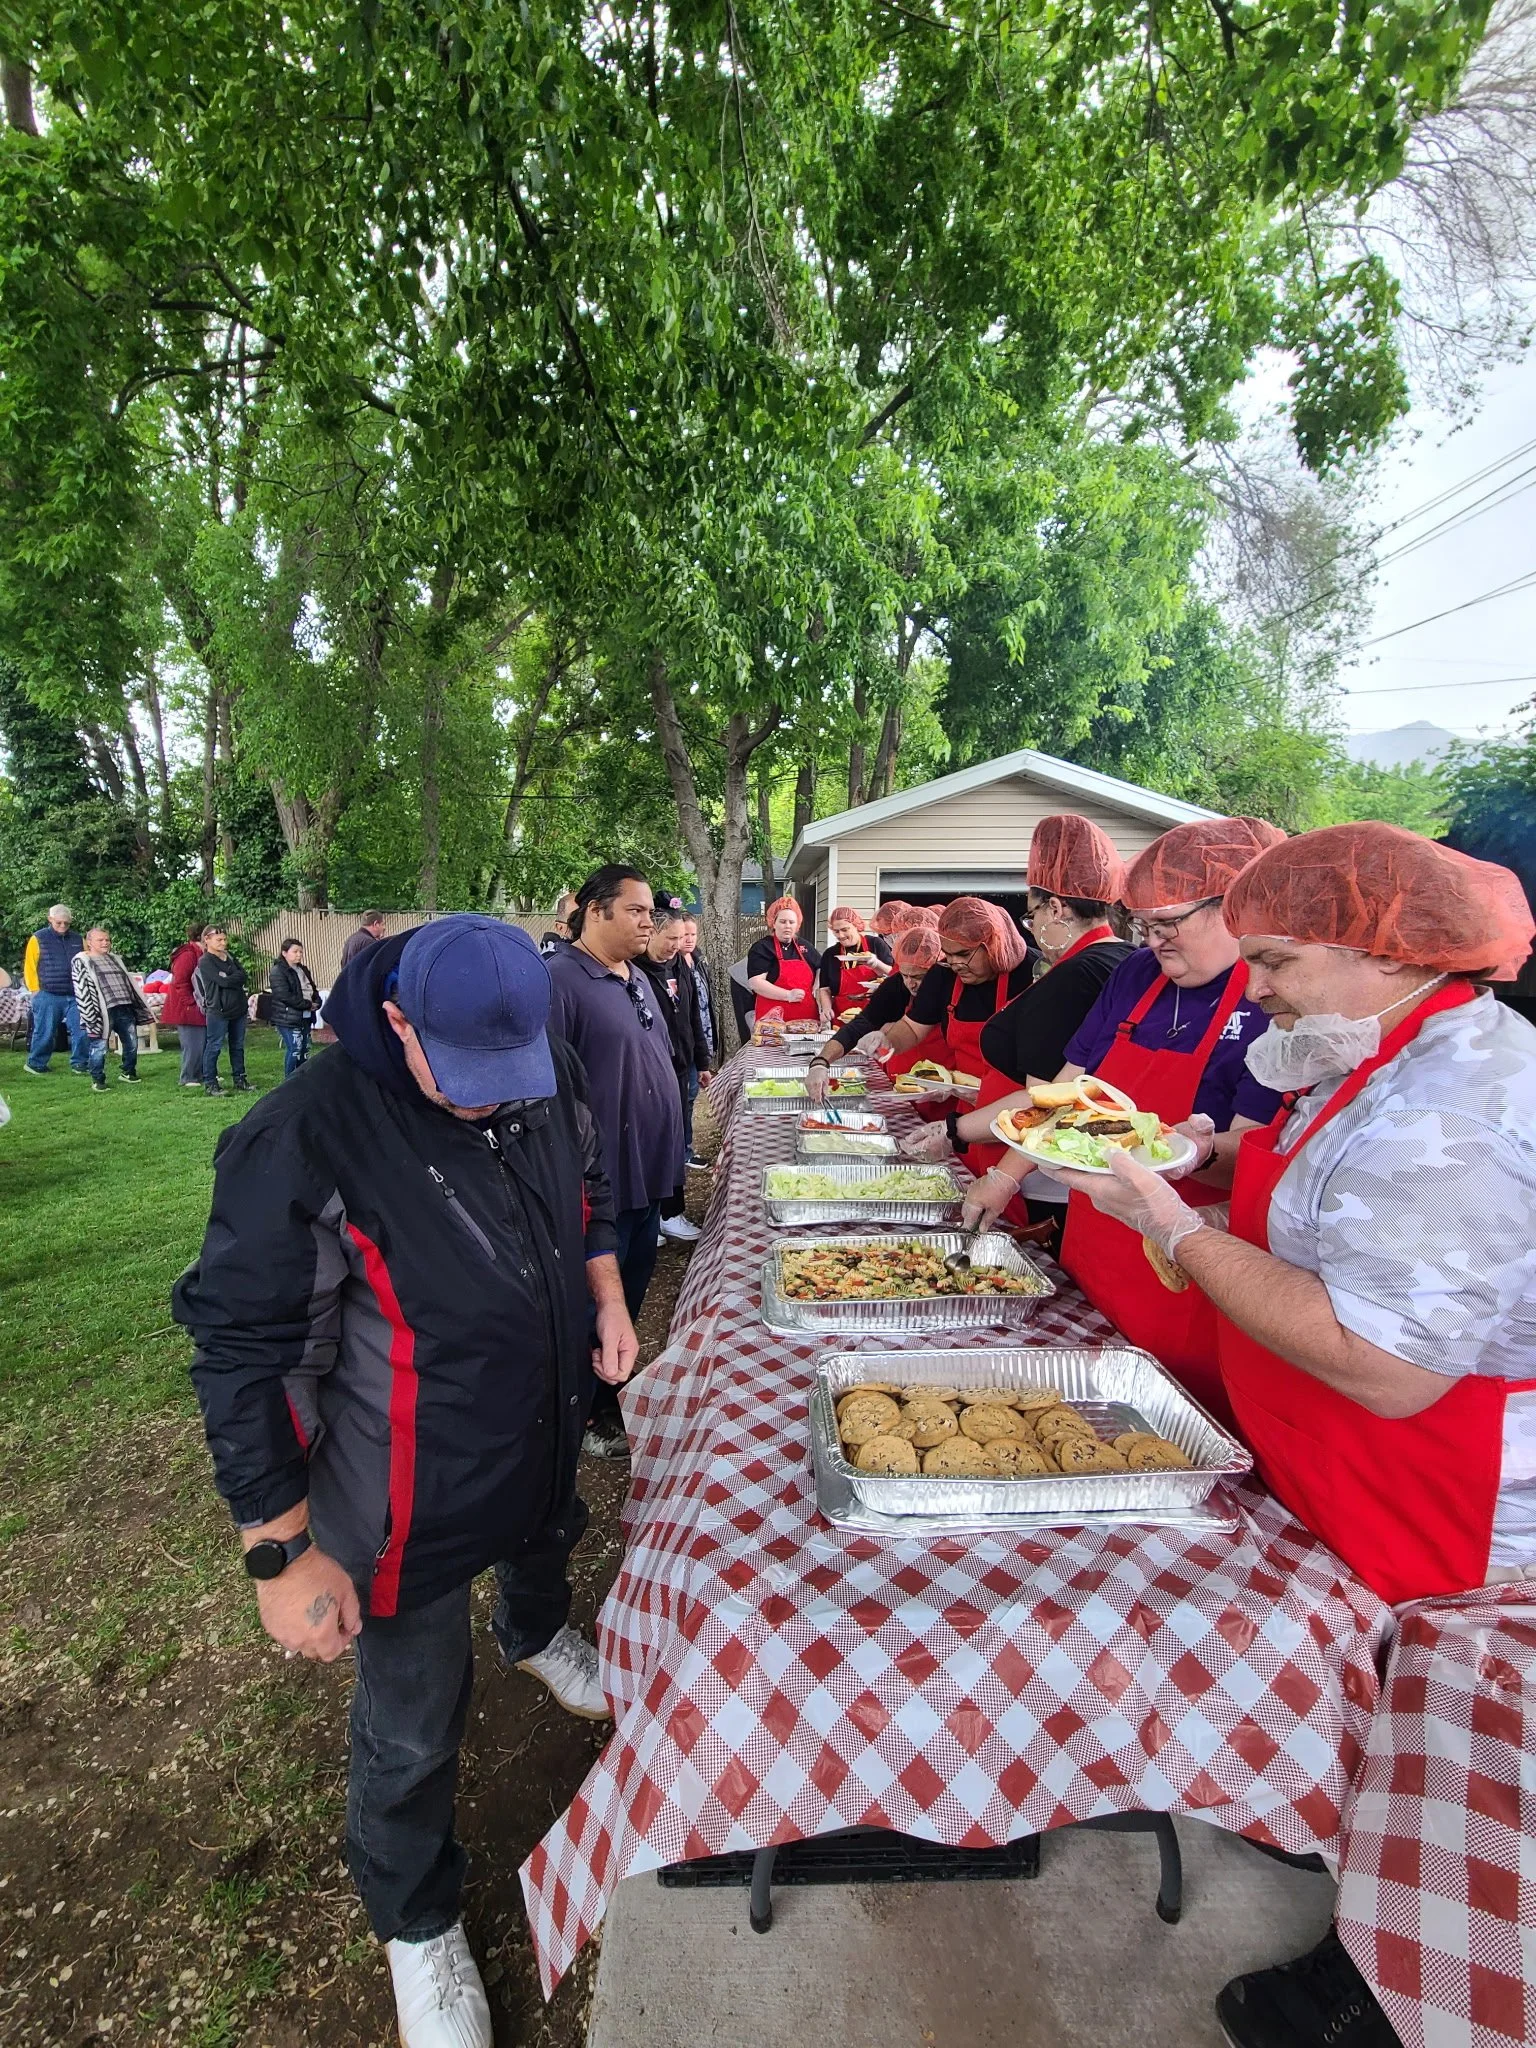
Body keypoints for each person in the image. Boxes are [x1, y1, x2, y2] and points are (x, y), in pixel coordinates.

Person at [1047, 825, 1536, 2048]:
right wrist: (1215, 1151)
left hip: (1440, 1493)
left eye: (1277, 958)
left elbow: (1385, 1364)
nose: (1252, 984)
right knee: (1359, 1717)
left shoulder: (1461, 1111)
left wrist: (1180, 1227)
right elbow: (1321, 1193)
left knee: (1434, 1744)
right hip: (1330, 1462)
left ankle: (1388, 1988)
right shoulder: (1378, 1050)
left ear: (1384, 951)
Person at [173, 915, 636, 2048]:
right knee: (415, 1715)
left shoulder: (541, 1063)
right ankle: (415, 1916)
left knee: (548, 1537)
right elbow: (242, 1349)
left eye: (507, 1075)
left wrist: (611, 1294)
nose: (491, 1098)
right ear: (395, 1019)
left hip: (534, 1423)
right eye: (465, 1077)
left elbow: (581, 1183)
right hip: (402, 1488)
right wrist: (280, 1549)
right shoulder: (303, 1132)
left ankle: (534, 1630)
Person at [962, 817, 1286, 1419]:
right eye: (1145, 924)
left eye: (1171, 923)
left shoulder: (1270, 999)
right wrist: (1005, 1176)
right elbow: (1067, 1092)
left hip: (1184, 1264)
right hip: (1096, 1240)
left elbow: (1254, 1152)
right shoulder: (1137, 974)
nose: (1155, 940)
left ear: (1234, 908)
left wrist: (1193, 1151)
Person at [906, 817, 1134, 1220]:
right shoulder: (1126, 961)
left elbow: (1045, 1099)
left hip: (1036, 1173)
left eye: (1032, 915)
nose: (1034, 927)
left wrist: (954, 1131)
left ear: (1057, 908)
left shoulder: (1072, 977)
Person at [546, 866, 685, 1457]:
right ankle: (591, 1410)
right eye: (636, 911)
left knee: (633, 1282)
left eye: (651, 912)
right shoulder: (559, 980)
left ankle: (615, 1389)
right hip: (604, 1175)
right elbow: (550, 1090)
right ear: (595, 910)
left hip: (650, 1168)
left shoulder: (637, 976)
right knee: (598, 1294)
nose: (649, 922)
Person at [876, 896, 1036, 1088]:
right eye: (948, 954)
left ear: (993, 944)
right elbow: (913, 1027)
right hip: (963, 1097)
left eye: (963, 954)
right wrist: (887, 1042)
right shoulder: (943, 974)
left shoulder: (1035, 972)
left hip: (1016, 1109)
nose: (954, 964)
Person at [806, 923, 943, 1099]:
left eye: (918, 977)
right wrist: (820, 1062)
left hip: (945, 1083)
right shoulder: (895, 985)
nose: (910, 983)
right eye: (905, 975)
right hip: (907, 1082)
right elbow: (858, 1026)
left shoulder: (945, 986)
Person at [633, 908, 704, 1243]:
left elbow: (692, 1016)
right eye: (671, 938)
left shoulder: (680, 965)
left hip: (680, 1066)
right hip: (649, 1071)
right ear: (652, 934)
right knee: (650, 1142)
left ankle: (672, 1212)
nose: (677, 945)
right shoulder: (636, 971)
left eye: (681, 938)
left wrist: (702, 1061)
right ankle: (652, 1214)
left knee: (675, 1142)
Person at [71, 927, 152, 1092]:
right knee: (99, 1046)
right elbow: (81, 989)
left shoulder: (115, 959)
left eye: (107, 940)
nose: (105, 943)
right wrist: (90, 1014)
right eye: (100, 940)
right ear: (89, 942)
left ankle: (128, 1072)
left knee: (131, 1042)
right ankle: (98, 1080)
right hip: (101, 1010)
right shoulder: (81, 961)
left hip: (124, 1007)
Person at [21, 904, 88, 1077]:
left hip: (75, 994)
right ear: (50, 919)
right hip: (47, 993)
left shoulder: (78, 939)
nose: (63, 926)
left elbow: (86, 963)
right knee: (45, 1031)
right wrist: (35, 990)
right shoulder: (38, 938)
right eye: (59, 923)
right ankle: (36, 1063)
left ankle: (80, 1063)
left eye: (66, 923)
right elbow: (30, 966)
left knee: (81, 1030)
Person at [675, 916, 716, 1168]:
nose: (689, 939)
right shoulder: (674, 965)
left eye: (692, 934)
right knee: (681, 1100)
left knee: (691, 1097)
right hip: (682, 1044)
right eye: (683, 935)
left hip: (699, 1040)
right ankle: (680, 1152)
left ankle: (686, 1149)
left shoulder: (699, 961)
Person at [745, 896, 822, 1028]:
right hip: (772, 1024)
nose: (787, 926)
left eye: (791, 922)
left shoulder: (805, 946)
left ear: (797, 925)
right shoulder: (762, 948)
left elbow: (821, 966)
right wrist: (788, 995)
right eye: (783, 921)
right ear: (773, 923)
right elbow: (756, 983)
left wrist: (817, 984)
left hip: (806, 1023)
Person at [193, 927, 253, 1097]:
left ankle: (240, 1079)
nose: (223, 943)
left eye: (224, 939)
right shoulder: (205, 961)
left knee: (237, 1046)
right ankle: (210, 1083)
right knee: (214, 1046)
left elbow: (243, 975)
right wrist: (230, 978)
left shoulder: (230, 957)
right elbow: (222, 981)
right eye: (219, 940)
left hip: (238, 1008)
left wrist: (229, 977)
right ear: (207, 940)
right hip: (218, 1010)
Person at [816, 907, 893, 1029]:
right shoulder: (830, 954)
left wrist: (876, 964)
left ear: (856, 926)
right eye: (836, 931)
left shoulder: (875, 944)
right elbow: (825, 989)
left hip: (873, 1015)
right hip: (841, 1019)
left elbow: (893, 974)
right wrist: (826, 1008)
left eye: (845, 930)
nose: (840, 935)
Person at [162, 920, 208, 1087]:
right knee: (192, 1044)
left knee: (202, 1042)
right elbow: (180, 982)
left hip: (197, 1005)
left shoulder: (200, 953)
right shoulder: (188, 954)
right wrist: (190, 1003)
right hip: (186, 1007)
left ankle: (201, 1074)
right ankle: (188, 1076)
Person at [268, 938, 322, 1078]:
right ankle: (289, 1079)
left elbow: (312, 988)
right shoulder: (278, 971)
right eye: (295, 951)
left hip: (305, 1015)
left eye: (300, 952)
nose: (298, 955)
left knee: (305, 1048)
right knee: (295, 1048)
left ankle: (302, 1078)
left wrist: (316, 1000)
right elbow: (284, 995)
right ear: (284, 953)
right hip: (288, 1017)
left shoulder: (302, 969)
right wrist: (307, 1005)